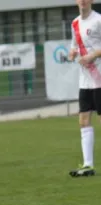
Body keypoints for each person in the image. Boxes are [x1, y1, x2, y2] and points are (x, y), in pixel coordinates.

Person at [68, 0, 101, 177]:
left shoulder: (98, 20)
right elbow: (73, 45)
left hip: (100, 78)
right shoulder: (74, 23)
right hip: (85, 80)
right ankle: (88, 165)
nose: (83, 1)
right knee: (83, 120)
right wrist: (72, 52)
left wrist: (93, 55)